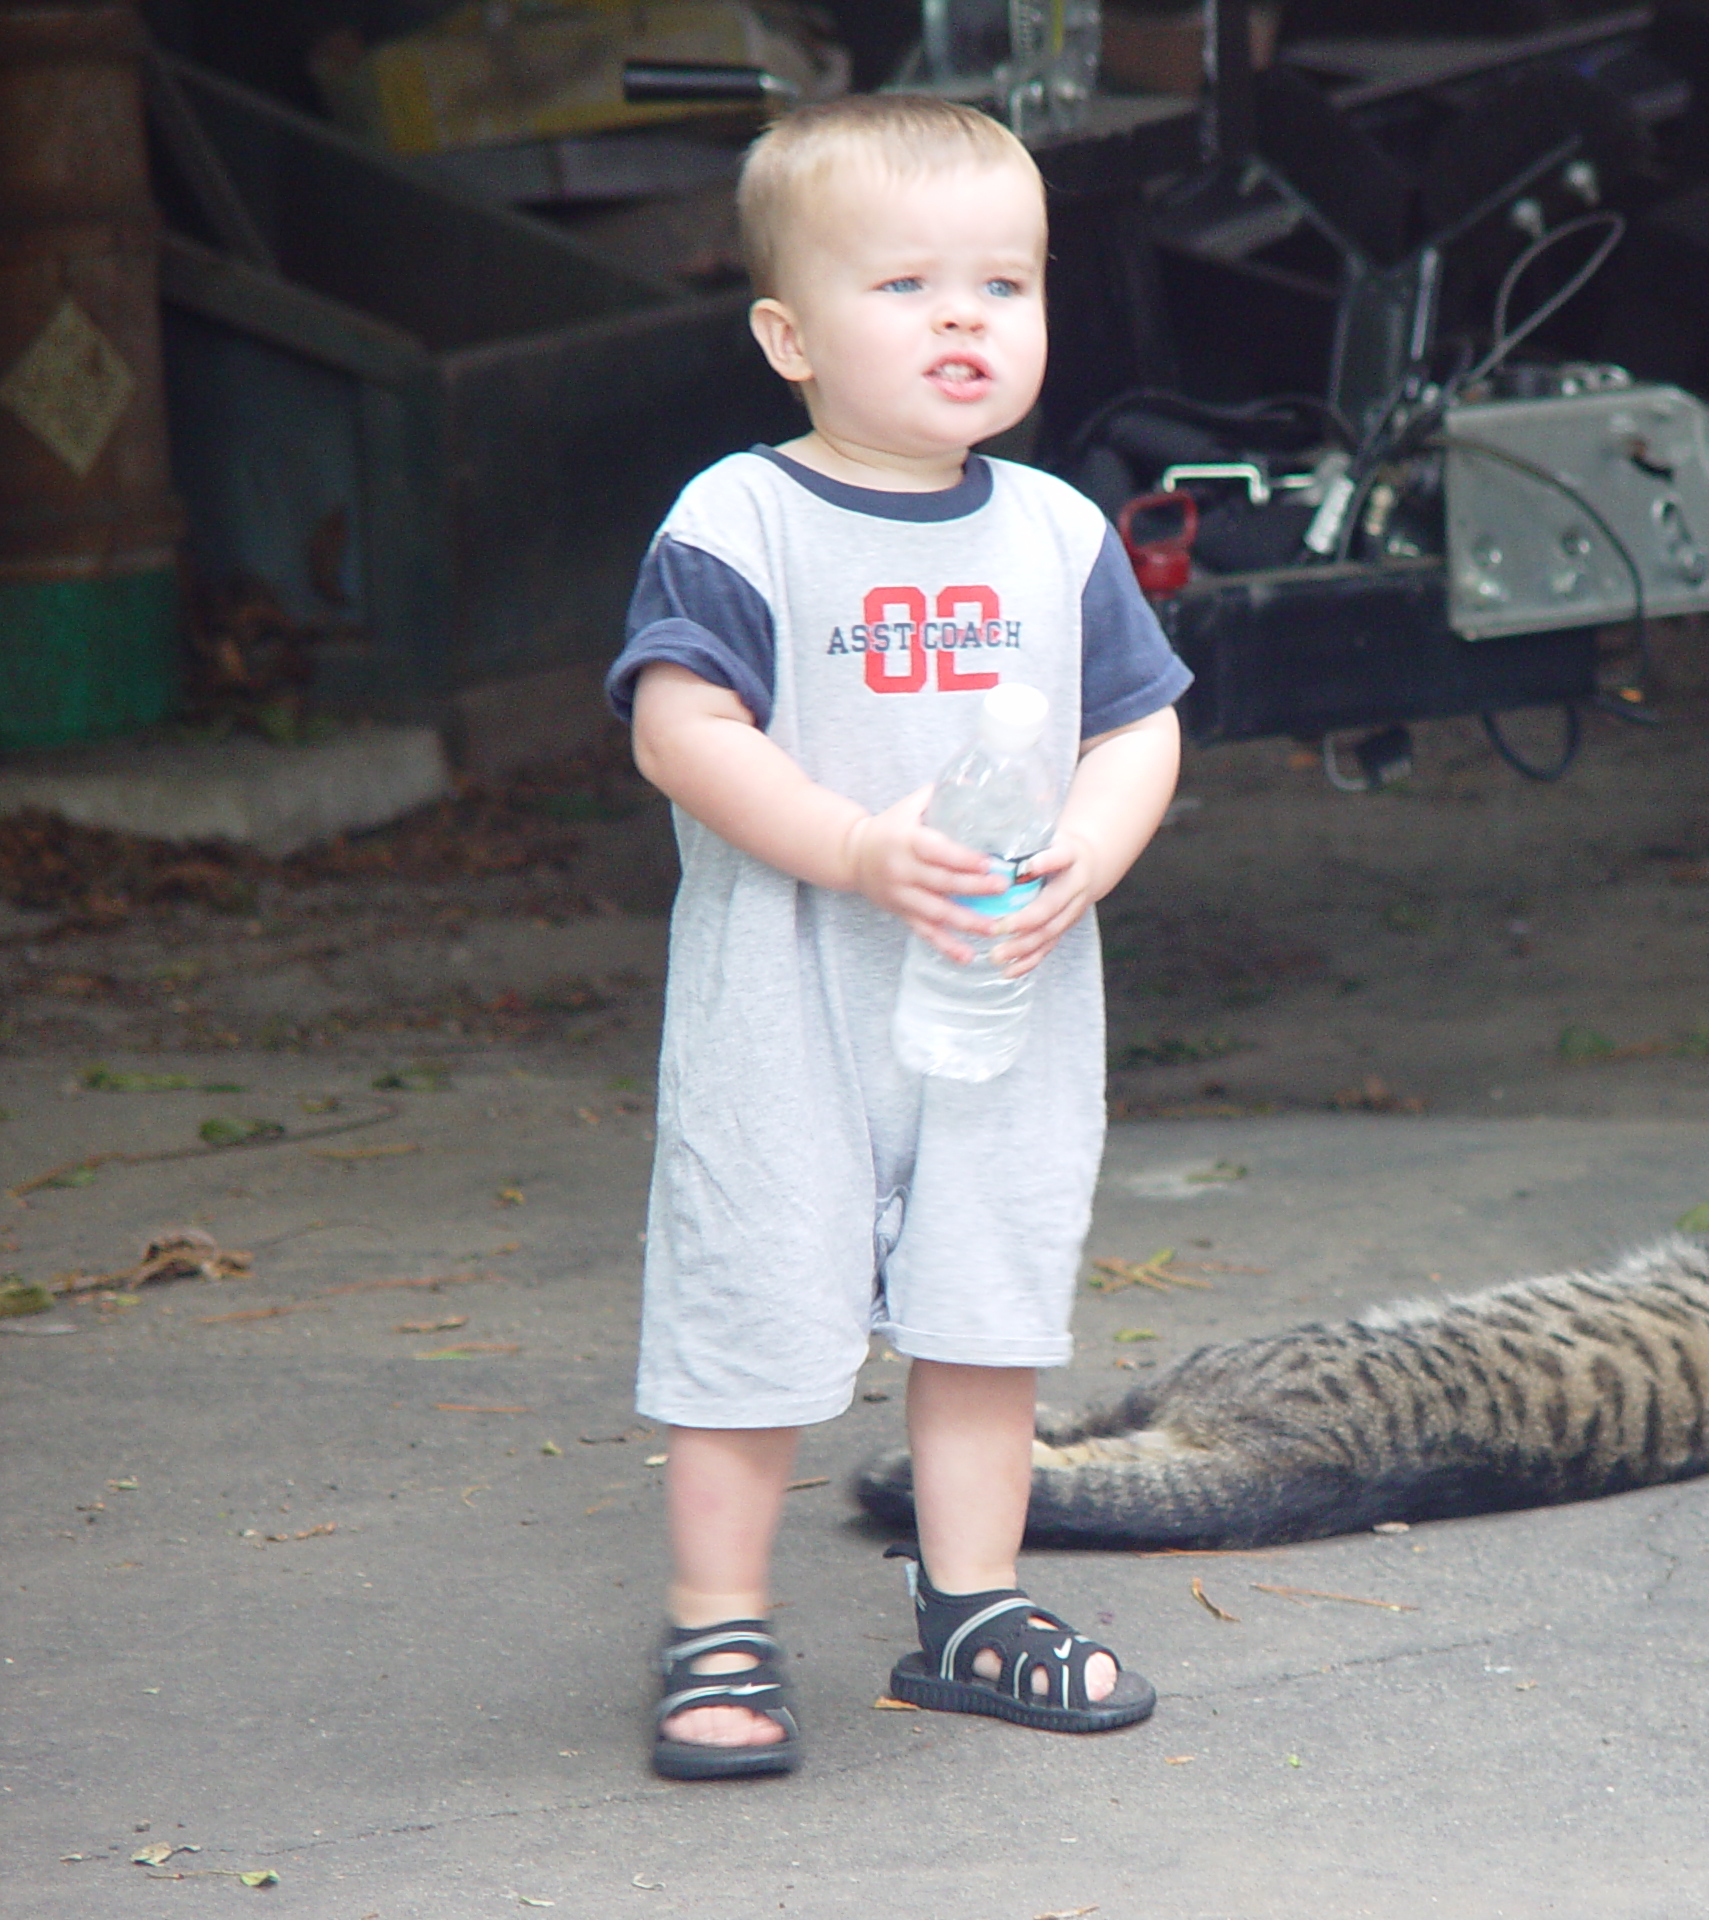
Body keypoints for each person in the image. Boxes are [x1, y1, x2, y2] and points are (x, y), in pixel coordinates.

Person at [603, 92, 1190, 1780]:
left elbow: (1137, 725)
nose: (964, 318)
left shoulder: (1058, 531)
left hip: (1002, 986)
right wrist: (856, 845)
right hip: (790, 992)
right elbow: (681, 728)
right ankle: (717, 1615)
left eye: (1005, 286)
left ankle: (978, 1607)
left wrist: (1090, 848)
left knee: (983, 1300)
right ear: (787, 334)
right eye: (908, 285)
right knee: (751, 1300)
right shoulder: (743, 519)